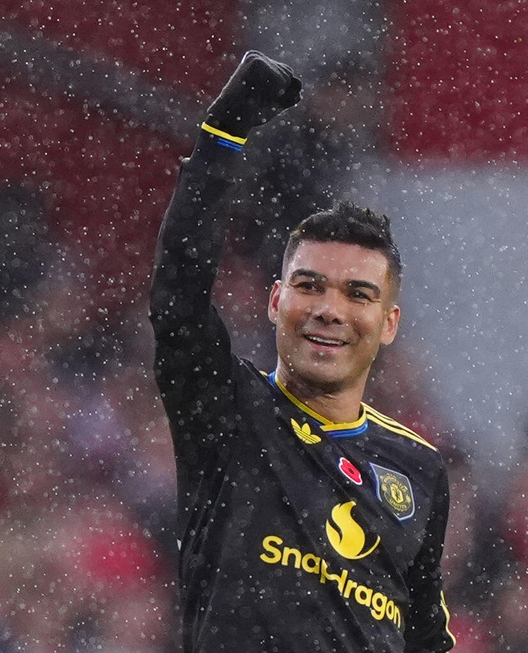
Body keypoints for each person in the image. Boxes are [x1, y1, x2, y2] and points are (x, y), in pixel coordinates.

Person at [149, 51, 454, 652]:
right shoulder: (229, 412)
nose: (329, 310)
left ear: (389, 324)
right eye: (309, 286)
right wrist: (222, 134)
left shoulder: (419, 471)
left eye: (357, 294)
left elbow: (426, 642)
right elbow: (180, 298)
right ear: (273, 302)